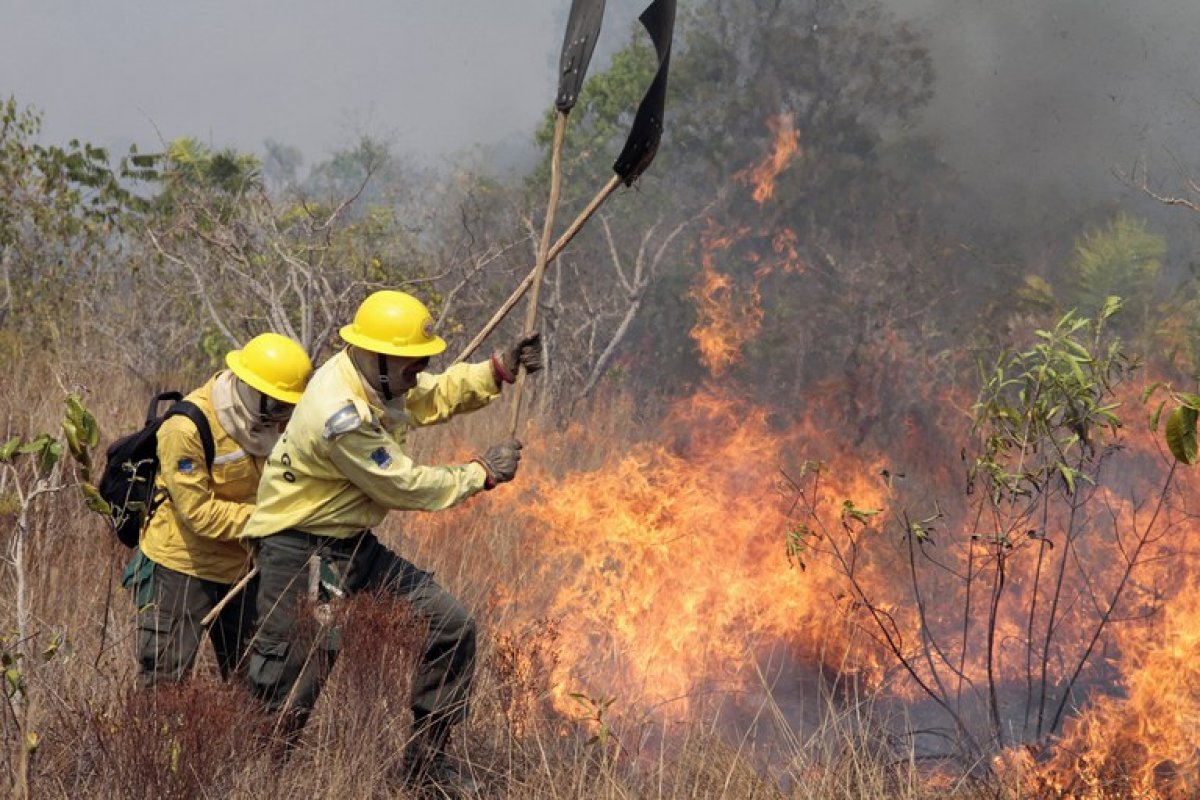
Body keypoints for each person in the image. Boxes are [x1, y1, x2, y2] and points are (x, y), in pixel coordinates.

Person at [240, 290, 540, 796]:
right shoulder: (341, 412)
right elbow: (401, 484)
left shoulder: (371, 376)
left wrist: (496, 371)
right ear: (378, 358)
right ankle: (253, 780)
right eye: (410, 364)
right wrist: (481, 473)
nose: (417, 371)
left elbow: (425, 398)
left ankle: (426, 769)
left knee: (451, 626)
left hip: (352, 546)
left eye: (421, 362)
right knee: (301, 672)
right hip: (306, 552)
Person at [125, 332, 313, 685]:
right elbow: (198, 513)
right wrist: (272, 521)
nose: (283, 418)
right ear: (249, 389)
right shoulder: (186, 428)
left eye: (290, 407)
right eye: (277, 406)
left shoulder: (273, 425)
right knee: (165, 680)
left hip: (243, 565)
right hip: (181, 567)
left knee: (255, 678)